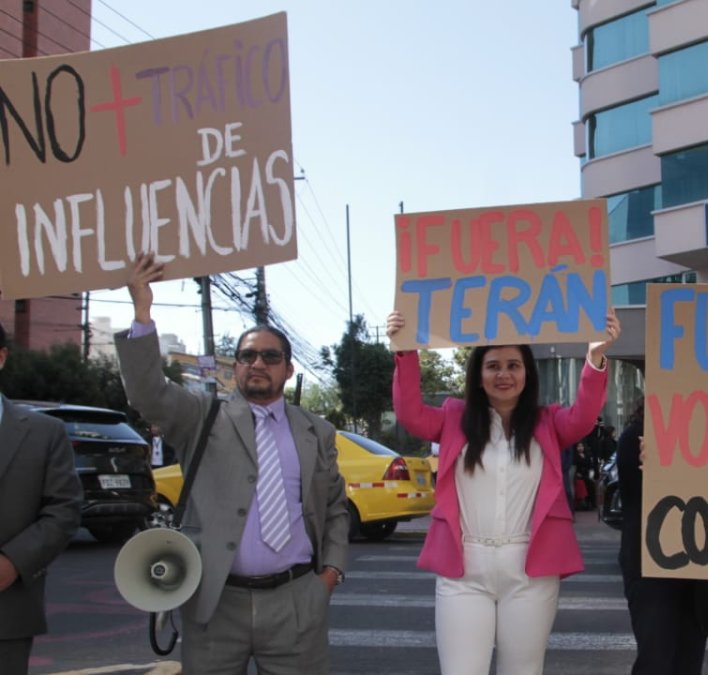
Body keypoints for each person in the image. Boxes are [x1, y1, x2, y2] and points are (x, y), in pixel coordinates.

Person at [116, 254, 350, 674]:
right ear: (235, 366)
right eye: (247, 356)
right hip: (215, 603)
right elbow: (148, 393)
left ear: (288, 368)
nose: (257, 363)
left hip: (296, 602)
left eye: (270, 356)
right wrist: (142, 312)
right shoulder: (200, 417)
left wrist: (329, 575)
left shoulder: (317, 431)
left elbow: (334, 507)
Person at [388, 309, 620, 675]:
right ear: (478, 376)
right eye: (493, 365)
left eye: (514, 365)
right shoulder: (453, 418)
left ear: (527, 374)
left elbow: (583, 417)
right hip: (464, 571)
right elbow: (410, 412)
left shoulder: (548, 423)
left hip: (529, 571)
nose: (504, 374)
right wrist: (406, 350)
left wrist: (594, 357)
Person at [0, 322, 84, 675]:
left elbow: (64, 510)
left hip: (7, 613)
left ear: (1, 357)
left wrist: (12, 563)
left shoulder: (43, 433)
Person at [617, 398, 707, 675]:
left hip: (696, 563)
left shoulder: (707, 435)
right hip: (650, 565)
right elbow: (634, 499)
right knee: (656, 658)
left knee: (688, 659)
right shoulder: (636, 436)